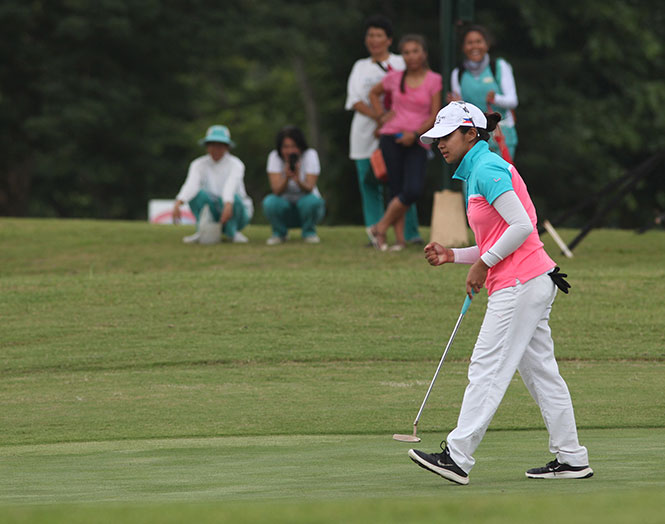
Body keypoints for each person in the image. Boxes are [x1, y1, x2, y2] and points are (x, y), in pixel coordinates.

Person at [408, 101, 592, 485]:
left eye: (446, 136)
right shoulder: (478, 169)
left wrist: (483, 262)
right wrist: (455, 256)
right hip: (529, 280)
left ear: (470, 133)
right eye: (436, 138)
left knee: (487, 367)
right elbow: (501, 236)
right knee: (542, 375)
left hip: (521, 284)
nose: (439, 144)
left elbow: (523, 226)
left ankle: (457, 457)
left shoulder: (487, 167)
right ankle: (573, 458)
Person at [345, 15, 422, 246]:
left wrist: (391, 121)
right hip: (365, 134)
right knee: (369, 182)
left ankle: (410, 233)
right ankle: (376, 233)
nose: (374, 40)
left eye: (379, 35)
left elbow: (414, 93)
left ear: (389, 39)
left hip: (399, 132)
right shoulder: (360, 67)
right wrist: (379, 118)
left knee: (403, 181)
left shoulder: (401, 62)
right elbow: (355, 100)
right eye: (370, 35)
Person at [366, 34, 442, 251]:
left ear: (424, 54)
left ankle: (380, 227)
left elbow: (434, 113)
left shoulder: (433, 79)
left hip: (418, 139)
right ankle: (399, 240)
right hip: (392, 137)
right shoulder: (394, 77)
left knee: (413, 189)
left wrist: (415, 133)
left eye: (415, 51)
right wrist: (381, 116)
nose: (411, 56)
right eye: (406, 52)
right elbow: (374, 93)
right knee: (396, 188)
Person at [448, 24, 518, 159]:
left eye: (478, 41)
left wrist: (496, 98)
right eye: (470, 43)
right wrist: (457, 105)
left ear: (487, 44)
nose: (474, 46)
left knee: (500, 177)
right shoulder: (458, 74)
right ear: (463, 47)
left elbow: (513, 101)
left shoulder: (499, 67)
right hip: (473, 138)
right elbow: (460, 113)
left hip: (502, 136)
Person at [173, 125, 253, 244]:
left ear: (227, 147)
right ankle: (203, 230)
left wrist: (227, 203)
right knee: (197, 195)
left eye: (220, 145)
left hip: (235, 210)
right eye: (212, 145)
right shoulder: (198, 164)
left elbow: (230, 185)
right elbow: (192, 184)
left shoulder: (236, 164)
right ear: (207, 146)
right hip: (214, 208)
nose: (216, 149)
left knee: (233, 198)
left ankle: (233, 232)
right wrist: (179, 202)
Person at [262, 126, 325, 245]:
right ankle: (279, 233)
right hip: (285, 206)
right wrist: (286, 177)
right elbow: (276, 190)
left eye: (294, 146)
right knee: (270, 202)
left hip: (307, 207)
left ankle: (309, 232)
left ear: (301, 147)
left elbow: (310, 188)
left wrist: (297, 179)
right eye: (286, 147)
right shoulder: (274, 157)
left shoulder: (310, 155)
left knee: (312, 201)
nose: (290, 151)